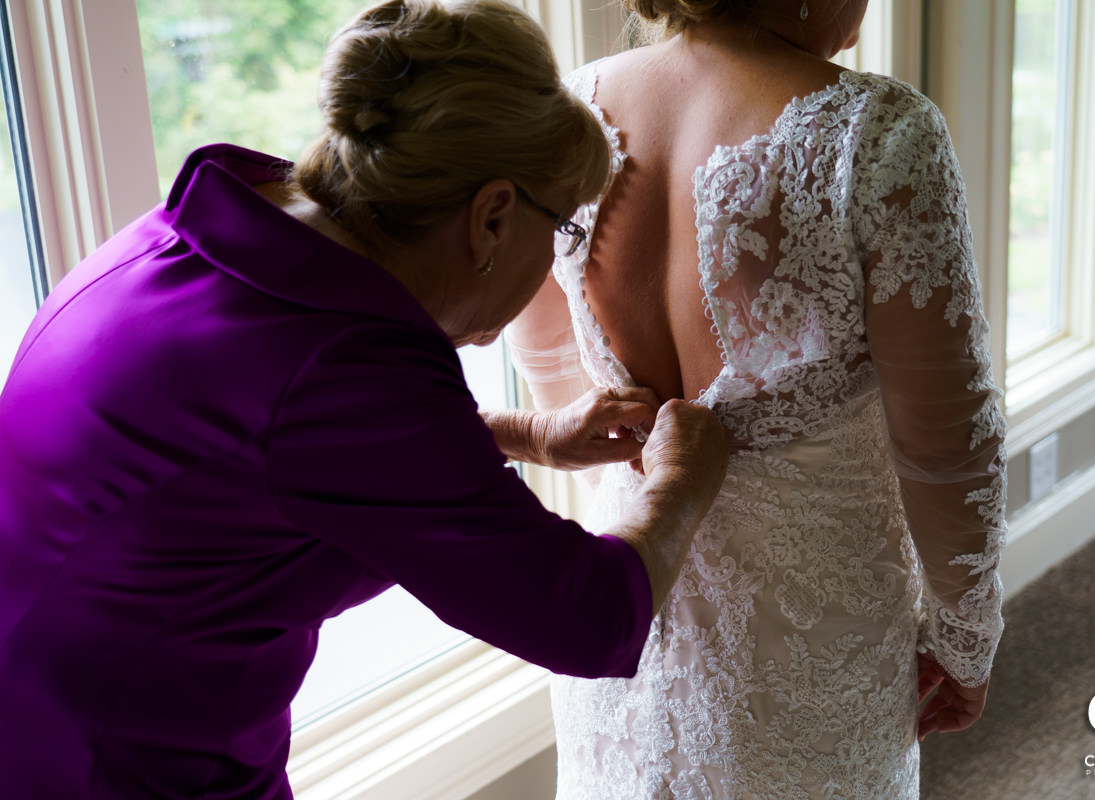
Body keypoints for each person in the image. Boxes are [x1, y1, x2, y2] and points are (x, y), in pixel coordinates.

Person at [0, 1, 729, 798]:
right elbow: (586, 618)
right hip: (114, 766)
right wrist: (679, 485)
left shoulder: (206, 231)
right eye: (558, 228)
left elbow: (258, 452)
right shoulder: (352, 366)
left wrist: (524, 435)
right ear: (491, 217)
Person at [506, 0, 1008, 797]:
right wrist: (966, 636)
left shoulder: (562, 112)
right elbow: (948, 443)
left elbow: (550, 366)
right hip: (811, 634)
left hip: (630, 592)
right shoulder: (877, 133)